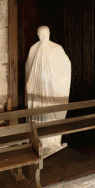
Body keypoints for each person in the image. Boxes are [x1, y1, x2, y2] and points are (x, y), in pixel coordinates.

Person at [25, 26, 71, 157]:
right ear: (37, 34)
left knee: (51, 114)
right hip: (37, 92)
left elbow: (65, 67)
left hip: (52, 91)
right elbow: (28, 68)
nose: (43, 37)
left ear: (49, 34)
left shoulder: (57, 49)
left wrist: (56, 82)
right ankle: (37, 141)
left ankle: (53, 142)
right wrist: (32, 84)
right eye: (41, 34)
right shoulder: (33, 49)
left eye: (45, 34)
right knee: (38, 114)